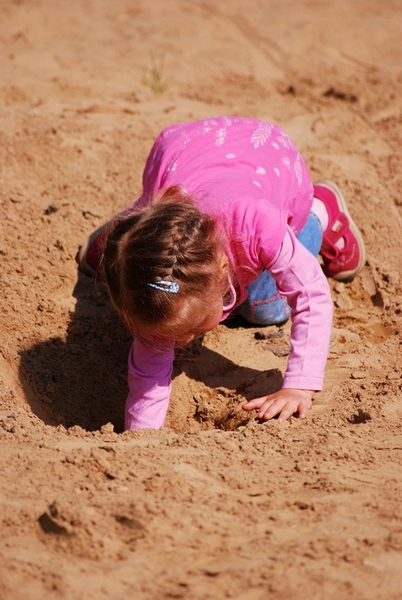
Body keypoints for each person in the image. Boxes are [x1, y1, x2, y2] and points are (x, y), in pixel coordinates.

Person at [76, 116, 366, 430]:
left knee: (264, 308)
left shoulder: (257, 226)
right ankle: (125, 240)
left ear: (224, 268)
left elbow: (310, 293)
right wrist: (141, 437)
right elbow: (148, 376)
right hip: (187, 152)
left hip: (269, 157)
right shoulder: (159, 291)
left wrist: (298, 385)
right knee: (139, 287)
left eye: (194, 326)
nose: (183, 340)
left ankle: (320, 212)